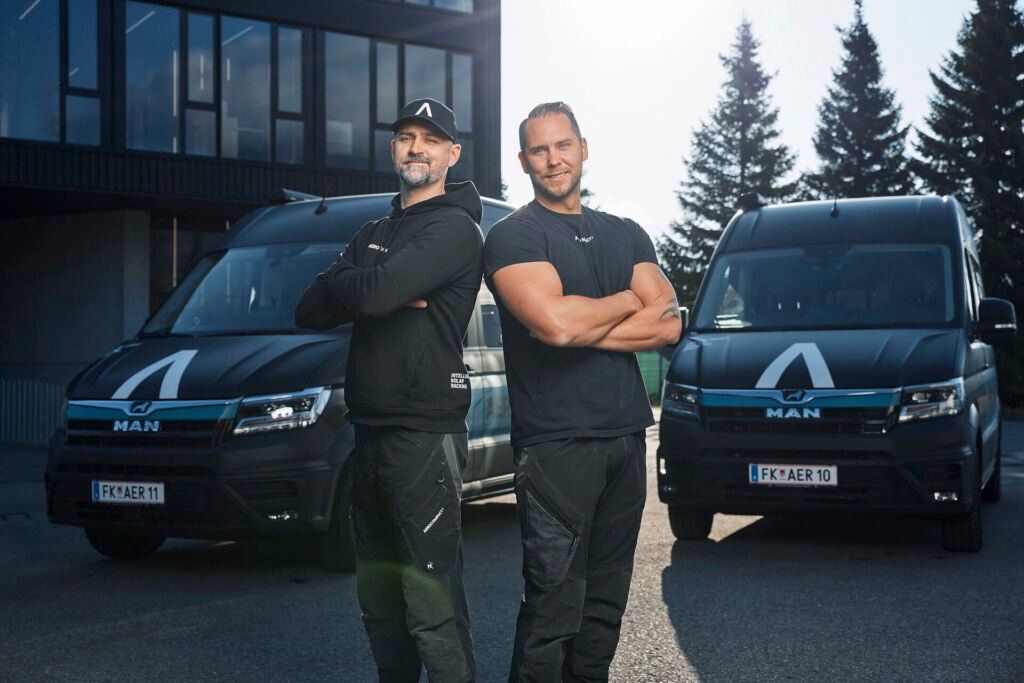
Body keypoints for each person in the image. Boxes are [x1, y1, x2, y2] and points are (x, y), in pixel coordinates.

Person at [483, 102, 682, 682]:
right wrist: (627, 299)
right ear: (523, 161)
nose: (553, 159)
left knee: (605, 605)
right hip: (556, 444)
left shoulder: (626, 232)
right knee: (553, 607)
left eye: (563, 145)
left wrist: (583, 320)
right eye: (539, 150)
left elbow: (669, 324)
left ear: (584, 148)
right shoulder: (513, 236)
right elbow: (555, 325)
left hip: (625, 436)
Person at [295, 97, 481, 683]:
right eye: (405, 137)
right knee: (379, 602)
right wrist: (374, 285)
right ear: (392, 148)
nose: (415, 147)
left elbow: (368, 297)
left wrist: (360, 285)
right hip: (368, 433)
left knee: (431, 604)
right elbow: (308, 310)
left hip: (423, 432)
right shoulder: (373, 231)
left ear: (452, 154)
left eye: (430, 139)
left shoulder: (456, 228)